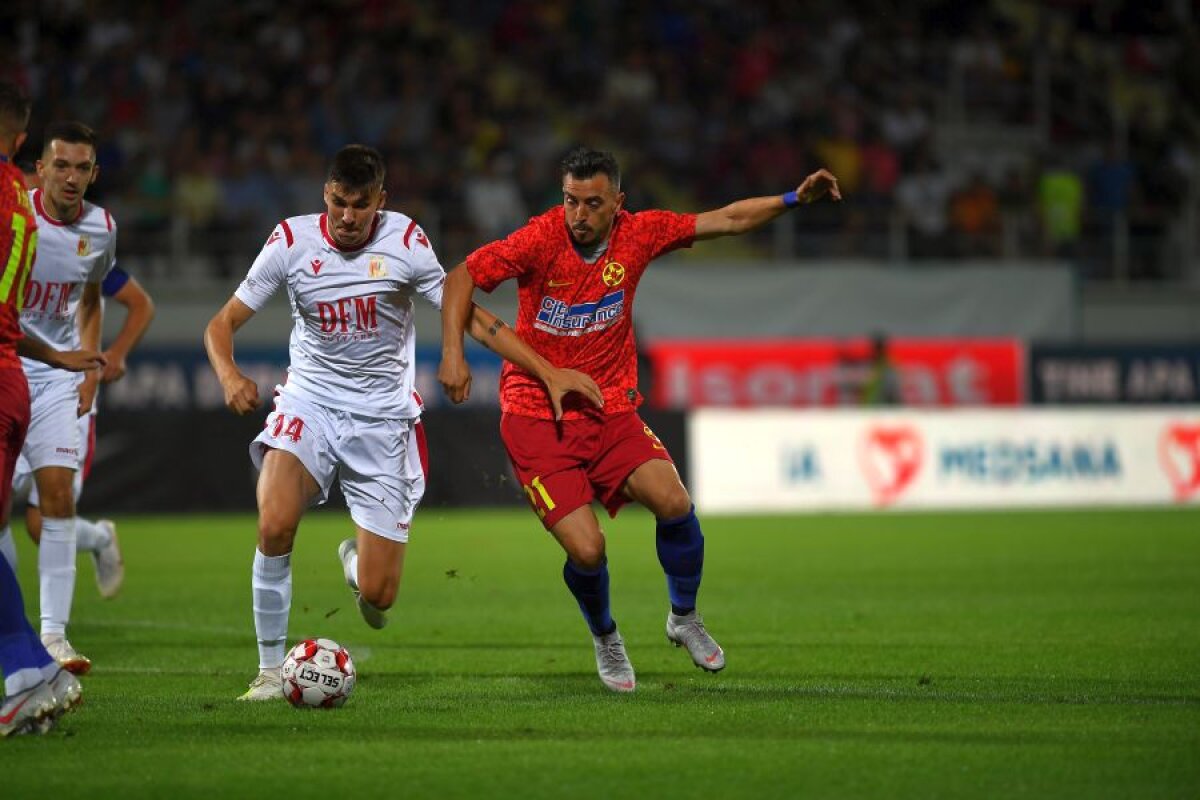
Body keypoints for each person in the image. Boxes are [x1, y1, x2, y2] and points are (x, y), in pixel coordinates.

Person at [204, 144, 601, 701]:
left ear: (381, 202)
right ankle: (270, 673)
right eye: (339, 202)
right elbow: (221, 324)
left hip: (384, 422)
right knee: (274, 523)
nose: (347, 217)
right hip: (310, 405)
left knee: (379, 596)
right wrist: (228, 375)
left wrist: (545, 369)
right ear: (326, 195)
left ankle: (358, 564)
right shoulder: (290, 241)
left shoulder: (405, 241)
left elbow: (466, 313)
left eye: (360, 205)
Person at [438, 147, 841, 692]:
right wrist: (454, 355)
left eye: (592, 203)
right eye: (570, 201)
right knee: (588, 550)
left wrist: (792, 199)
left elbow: (726, 219)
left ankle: (684, 617)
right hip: (536, 414)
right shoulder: (539, 238)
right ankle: (605, 635)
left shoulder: (640, 233)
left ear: (618, 203)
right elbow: (460, 277)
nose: (578, 215)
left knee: (674, 502)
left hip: (608, 407)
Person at [0, 80, 104, 736]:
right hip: (17, 367)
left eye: (80, 167)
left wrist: (79, 361)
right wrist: (60, 354)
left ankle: (35, 657)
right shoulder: (19, 202)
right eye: (58, 164)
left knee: (50, 506)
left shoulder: (95, 229)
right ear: (28, 153)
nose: (69, 177)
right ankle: (30, 666)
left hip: (22, 372)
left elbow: (101, 295)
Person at [10, 264, 154, 599]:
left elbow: (140, 303)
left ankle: (100, 539)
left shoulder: (87, 249)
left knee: (40, 525)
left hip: (69, 394)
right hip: (16, 387)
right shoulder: (18, 247)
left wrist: (117, 353)